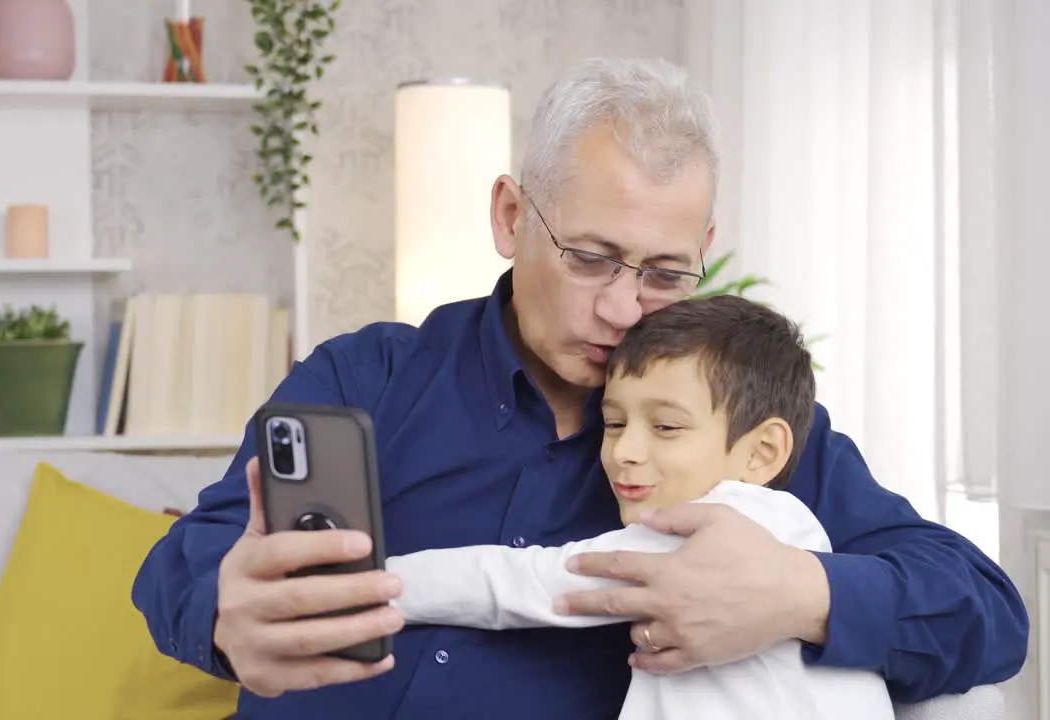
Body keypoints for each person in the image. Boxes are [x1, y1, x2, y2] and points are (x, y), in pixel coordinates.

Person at [131, 57, 1028, 718]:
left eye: (668, 273)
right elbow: (187, 563)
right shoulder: (368, 374)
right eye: (593, 258)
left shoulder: (741, 433)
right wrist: (226, 608)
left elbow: (984, 611)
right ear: (513, 216)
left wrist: (801, 597)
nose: (625, 308)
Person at [385, 293, 895, 720]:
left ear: (762, 453)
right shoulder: (794, 526)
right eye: (612, 423)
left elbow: (521, 583)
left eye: (666, 427)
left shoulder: (713, 528)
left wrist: (374, 585)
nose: (623, 450)